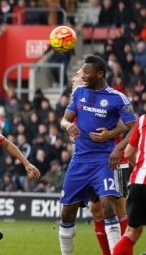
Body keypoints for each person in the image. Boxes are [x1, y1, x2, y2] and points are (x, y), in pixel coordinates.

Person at [59, 55, 136, 254]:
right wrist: (68, 126)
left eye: (86, 72)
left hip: (105, 159)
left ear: (100, 74)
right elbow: (65, 120)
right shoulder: (78, 93)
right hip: (80, 160)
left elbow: (133, 127)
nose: (82, 76)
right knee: (68, 210)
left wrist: (116, 145)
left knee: (111, 206)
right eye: (81, 72)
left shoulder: (117, 98)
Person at [113, 113, 146, 255]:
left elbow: (128, 153)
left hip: (139, 182)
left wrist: (140, 167)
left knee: (132, 232)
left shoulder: (143, 119)